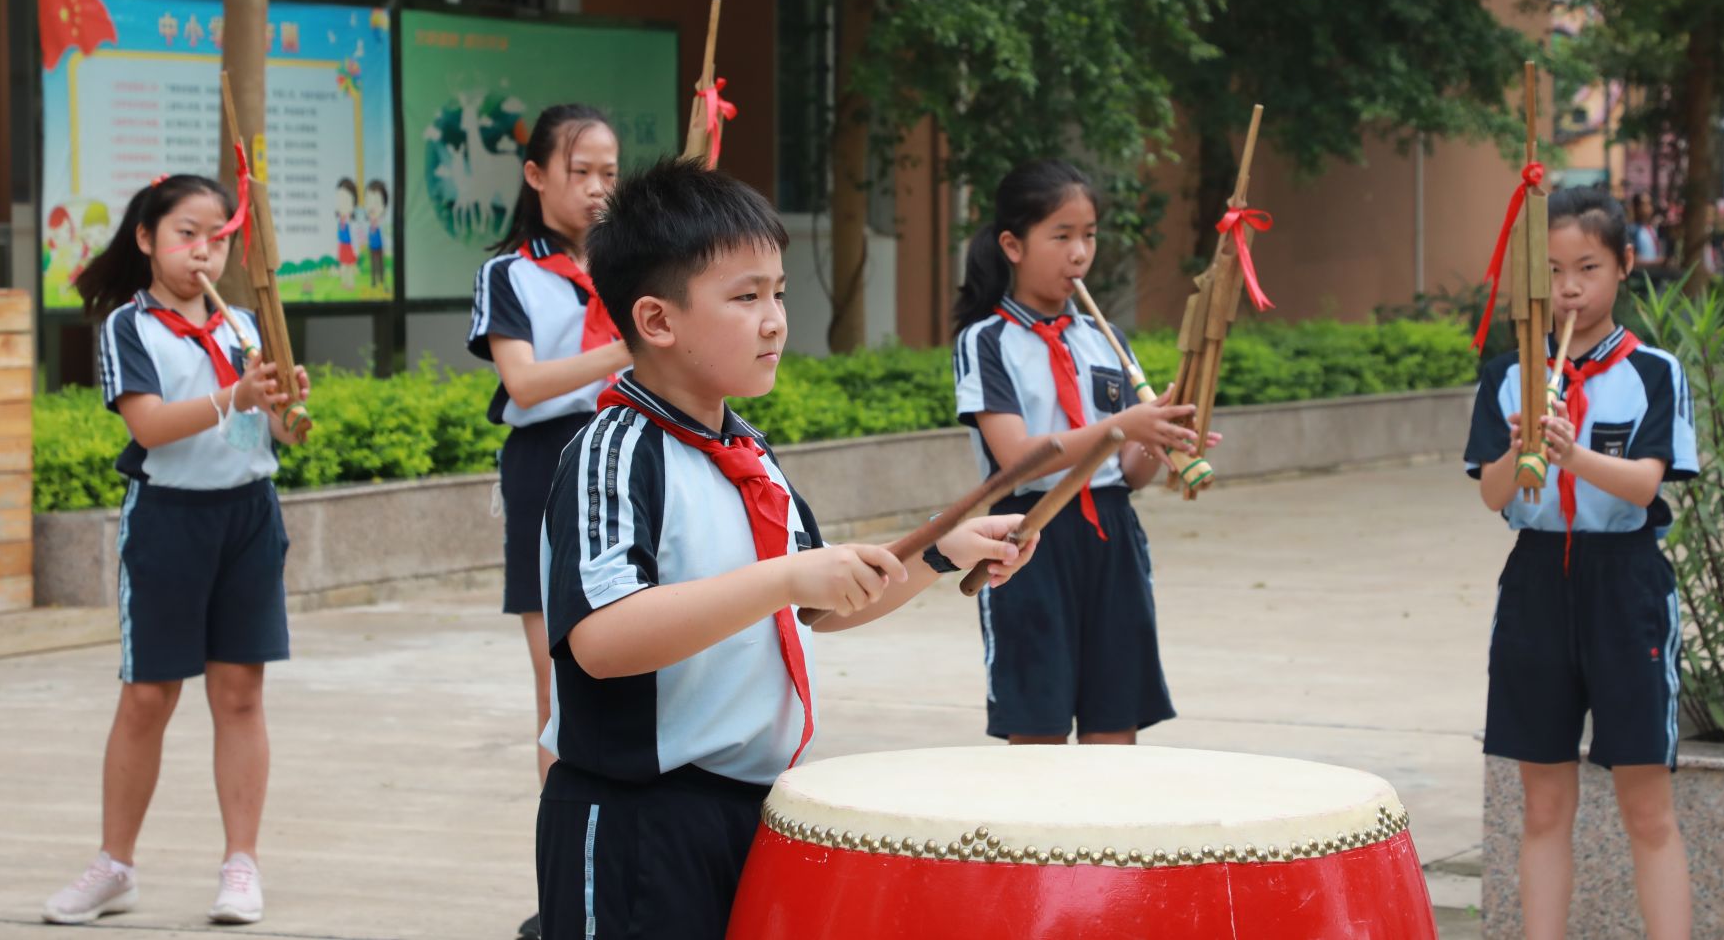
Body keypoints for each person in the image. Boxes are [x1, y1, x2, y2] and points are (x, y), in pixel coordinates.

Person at [534, 157, 1037, 938]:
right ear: (657, 320)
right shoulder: (615, 450)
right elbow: (601, 638)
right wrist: (784, 577)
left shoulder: (745, 450)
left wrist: (943, 552)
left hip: (759, 805)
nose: (774, 319)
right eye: (745, 297)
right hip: (639, 816)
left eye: (778, 292)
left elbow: (816, 604)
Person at [46, 174, 311, 926]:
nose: (203, 251)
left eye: (216, 236)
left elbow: (274, 434)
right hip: (168, 520)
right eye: (185, 234)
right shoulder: (130, 327)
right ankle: (115, 865)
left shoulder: (247, 325)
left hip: (249, 517)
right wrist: (237, 397)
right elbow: (149, 427)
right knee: (148, 696)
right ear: (146, 240)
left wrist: (288, 412)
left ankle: (241, 864)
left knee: (240, 694)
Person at [1465, 186, 1698, 938]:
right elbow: (1492, 494)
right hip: (1535, 579)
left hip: (1625, 583)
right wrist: (1520, 445)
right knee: (1542, 803)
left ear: (1625, 265)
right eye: (1556, 270)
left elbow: (1647, 482)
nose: (1569, 288)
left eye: (1588, 267)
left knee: (1646, 804)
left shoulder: (1656, 372)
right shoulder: (1509, 375)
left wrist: (1575, 453)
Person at [949, 160, 1218, 746]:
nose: (1080, 253)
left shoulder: (1106, 339)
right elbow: (1017, 457)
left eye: (1089, 235)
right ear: (1013, 245)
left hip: (1112, 537)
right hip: (1027, 537)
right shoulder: (985, 341)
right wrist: (1122, 425)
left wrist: (1156, 438)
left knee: (1114, 729)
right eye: (1062, 235)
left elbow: (1130, 473)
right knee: (1037, 732)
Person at [467, 104, 633, 940]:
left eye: (609, 172)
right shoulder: (510, 275)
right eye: (581, 172)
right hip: (549, 462)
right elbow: (526, 385)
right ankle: (565, 880)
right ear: (535, 176)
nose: (599, 189)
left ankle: (625, 853)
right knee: (557, 677)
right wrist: (632, 342)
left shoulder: (635, 261)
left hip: (634, 447)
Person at [364, 179, 389, 291]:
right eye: (368, 202)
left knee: (380, 265)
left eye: (376, 203)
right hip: (371, 248)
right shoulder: (368, 225)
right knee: (373, 265)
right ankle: (374, 281)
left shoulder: (382, 225)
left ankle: (382, 280)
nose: (372, 208)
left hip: (379, 247)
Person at [334, 178, 359, 291]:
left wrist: (356, 251)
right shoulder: (340, 221)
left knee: (349, 268)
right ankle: (345, 283)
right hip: (342, 246)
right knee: (343, 266)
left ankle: (351, 283)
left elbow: (356, 238)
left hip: (349, 247)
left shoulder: (352, 223)